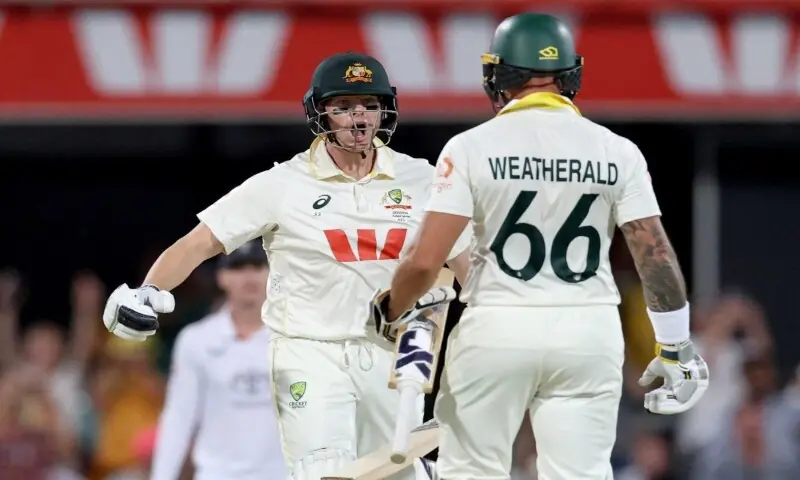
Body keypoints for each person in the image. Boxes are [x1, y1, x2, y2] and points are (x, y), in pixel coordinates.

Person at [101, 51, 472, 480]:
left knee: (392, 473)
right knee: (324, 471)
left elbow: (466, 264)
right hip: (308, 350)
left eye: (369, 105)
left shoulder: (422, 179)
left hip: (390, 350)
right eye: (344, 107)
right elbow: (200, 242)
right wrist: (149, 291)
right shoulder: (282, 184)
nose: (359, 118)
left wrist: (502, 327)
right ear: (320, 112)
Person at [375, 13, 709, 480]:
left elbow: (425, 260)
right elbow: (654, 255)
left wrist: (391, 310)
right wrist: (675, 345)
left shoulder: (470, 147)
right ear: (570, 74)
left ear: (499, 73)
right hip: (588, 331)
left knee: (471, 471)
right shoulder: (617, 151)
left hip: (499, 326)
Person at [151, 239, 286, 480]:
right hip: (217, 473)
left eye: (257, 266)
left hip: (282, 473)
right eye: (238, 267)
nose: (249, 277)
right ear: (222, 277)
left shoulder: (294, 336)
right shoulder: (197, 340)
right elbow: (179, 416)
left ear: (272, 273)